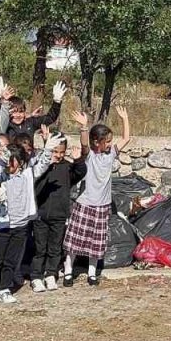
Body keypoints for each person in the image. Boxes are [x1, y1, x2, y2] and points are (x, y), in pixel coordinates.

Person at [0, 134, 58, 305]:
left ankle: (3, 288)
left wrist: (48, 149)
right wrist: (0, 162)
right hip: (3, 224)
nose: (8, 164)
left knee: (11, 260)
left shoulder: (27, 174)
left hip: (21, 224)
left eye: (11, 161)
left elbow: (42, 165)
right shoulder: (1, 174)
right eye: (6, 160)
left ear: (20, 162)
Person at [62, 108, 131, 286]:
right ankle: (68, 271)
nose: (109, 144)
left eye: (110, 141)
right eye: (106, 141)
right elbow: (84, 145)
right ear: (96, 142)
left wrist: (124, 119)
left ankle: (92, 273)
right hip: (85, 203)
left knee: (97, 242)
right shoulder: (89, 156)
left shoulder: (111, 154)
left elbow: (126, 139)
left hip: (103, 205)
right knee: (74, 240)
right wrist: (84, 127)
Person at [31, 130, 85, 293]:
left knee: (55, 248)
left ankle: (51, 274)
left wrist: (78, 160)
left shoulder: (66, 167)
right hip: (40, 215)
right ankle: (36, 276)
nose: (59, 155)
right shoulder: (41, 166)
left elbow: (80, 172)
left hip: (59, 215)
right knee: (40, 248)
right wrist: (47, 160)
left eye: (62, 152)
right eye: (55, 151)